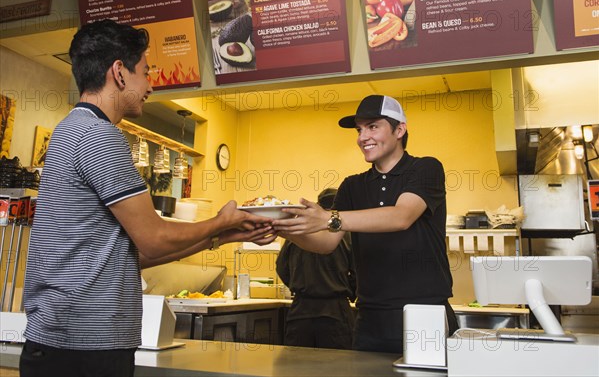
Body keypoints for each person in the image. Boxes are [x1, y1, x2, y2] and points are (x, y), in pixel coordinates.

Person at [20, 19, 274, 377]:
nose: (151, 85)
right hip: (84, 347)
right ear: (119, 73)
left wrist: (223, 236)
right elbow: (154, 239)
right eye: (146, 72)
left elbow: (127, 257)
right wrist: (221, 220)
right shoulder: (99, 136)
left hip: (66, 343)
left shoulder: (71, 129)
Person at [273, 95, 458, 354]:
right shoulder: (352, 186)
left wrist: (329, 218)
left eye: (373, 127)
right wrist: (284, 229)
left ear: (399, 129)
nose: (362, 137)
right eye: (360, 130)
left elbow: (401, 217)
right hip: (370, 317)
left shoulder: (426, 168)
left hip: (424, 313)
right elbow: (327, 243)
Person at [276, 188, 356, 349]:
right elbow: (359, 271)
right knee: (337, 369)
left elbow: (281, 266)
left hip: (300, 310)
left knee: (296, 368)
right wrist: (349, 290)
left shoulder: (300, 230)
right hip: (335, 311)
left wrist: (296, 285)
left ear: (318, 205)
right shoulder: (345, 233)